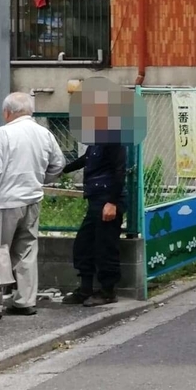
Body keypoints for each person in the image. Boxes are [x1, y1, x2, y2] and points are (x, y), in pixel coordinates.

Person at [0, 92, 65, 321]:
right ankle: (25, 301)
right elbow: (58, 164)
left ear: (7, 112)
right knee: (27, 250)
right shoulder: (45, 134)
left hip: (4, 203)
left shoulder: (2, 135)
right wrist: (42, 181)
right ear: (30, 111)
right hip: (32, 199)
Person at [60, 95, 128, 307]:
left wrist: (112, 203)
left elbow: (119, 171)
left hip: (107, 200)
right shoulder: (99, 138)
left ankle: (108, 291)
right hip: (96, 200)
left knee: (105, 247)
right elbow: (85, 160)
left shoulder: (113, 137)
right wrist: (61, 170)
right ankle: (86, 288)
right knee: (84, 244)